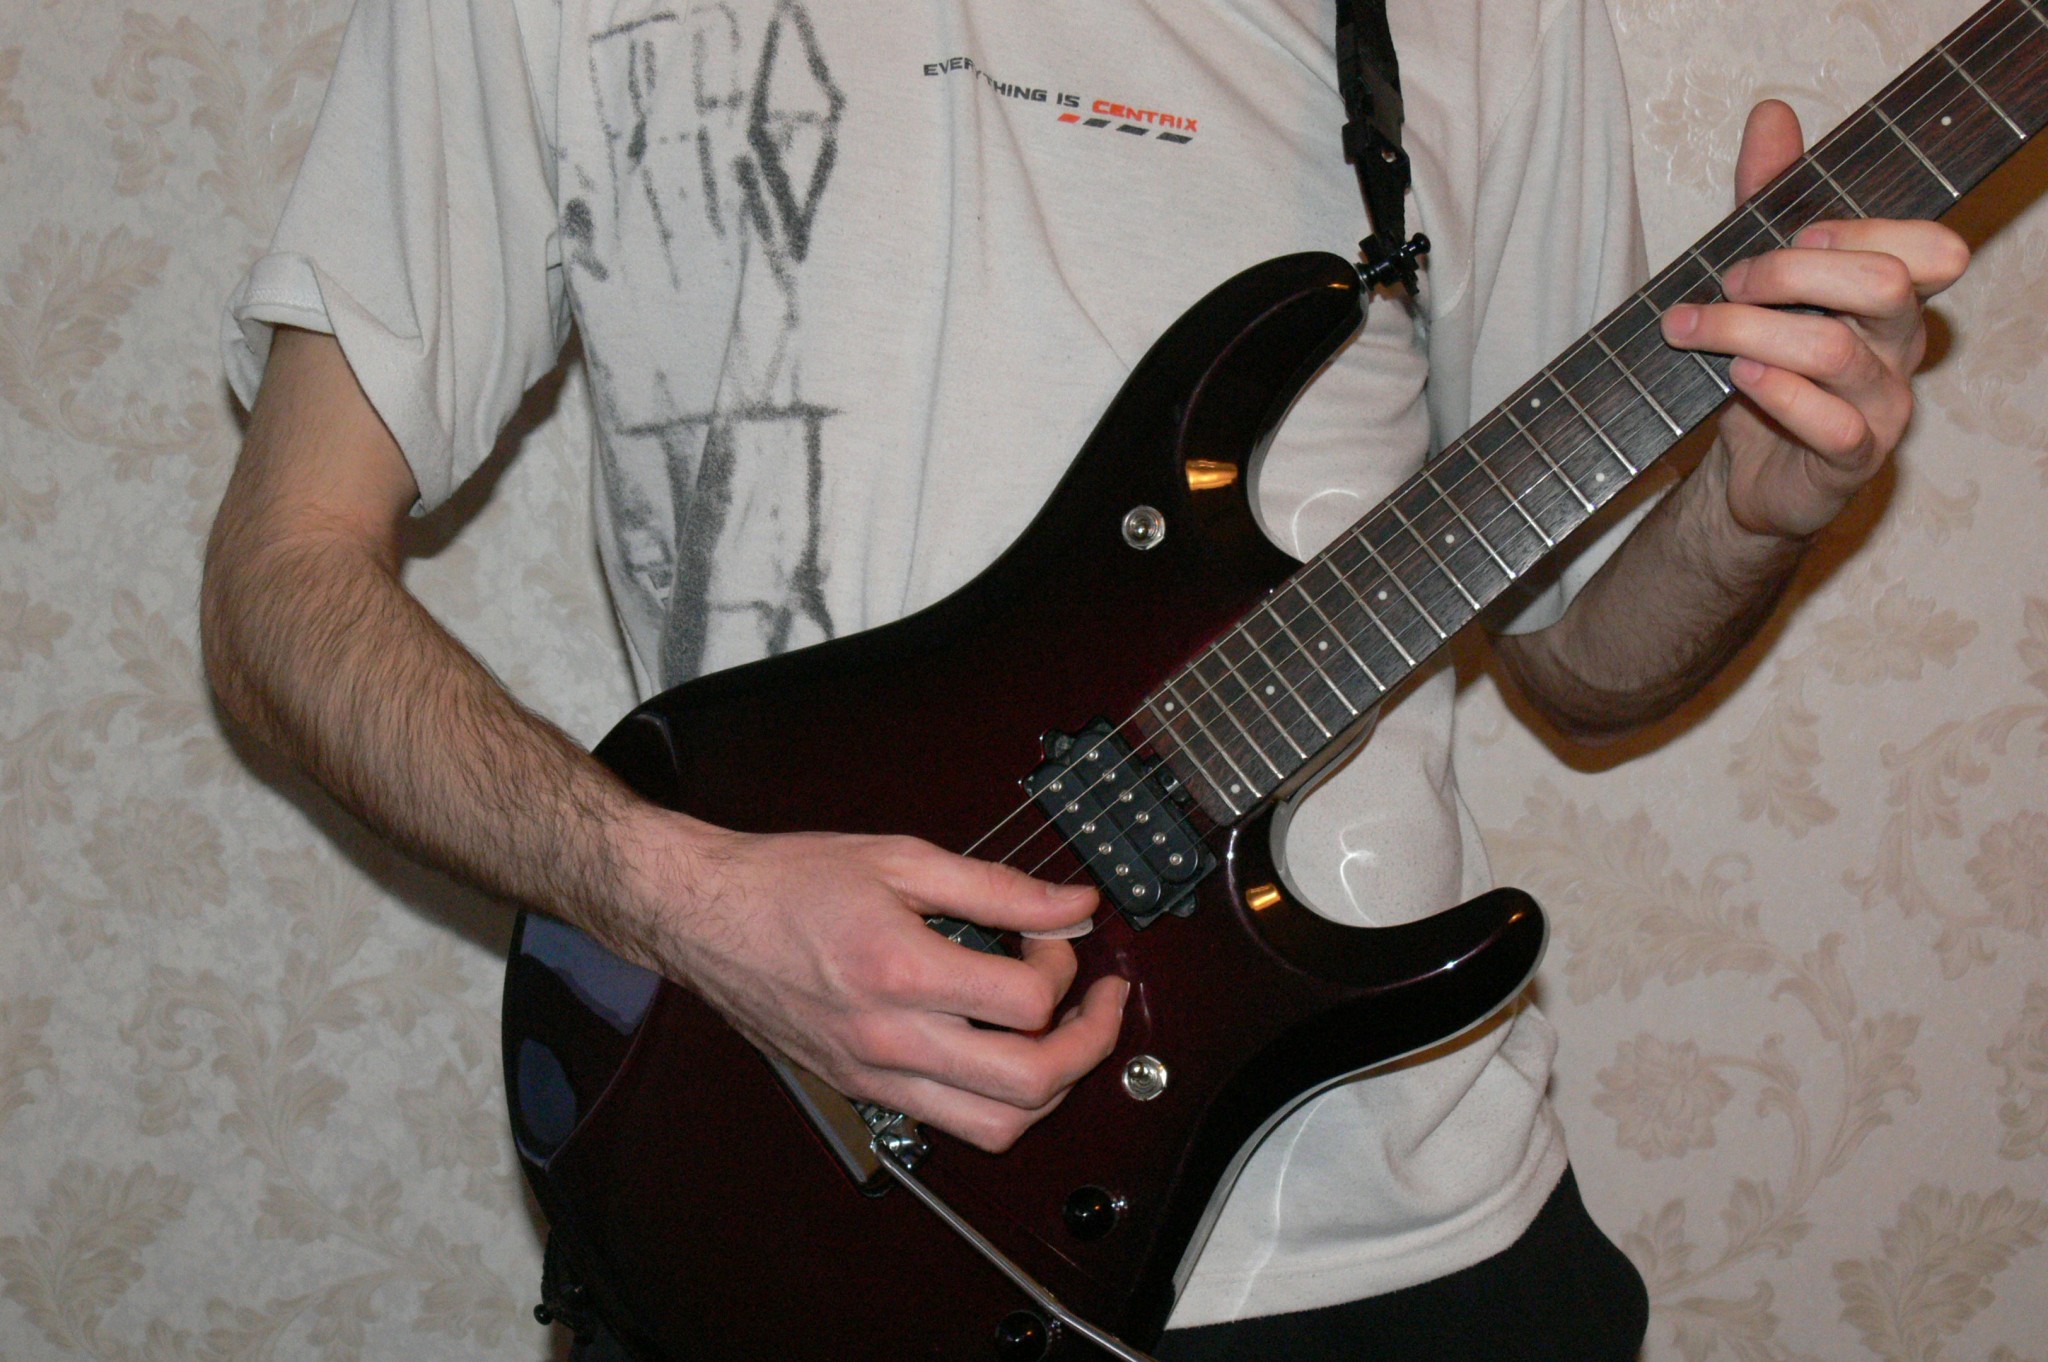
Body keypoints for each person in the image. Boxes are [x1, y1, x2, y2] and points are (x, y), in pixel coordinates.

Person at [201, 0, 1968, 1357]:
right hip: (809, 1220)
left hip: (1399, 1240)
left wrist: (1749, 510)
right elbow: (282, 581)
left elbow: (1580, 657)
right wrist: (688, 901)